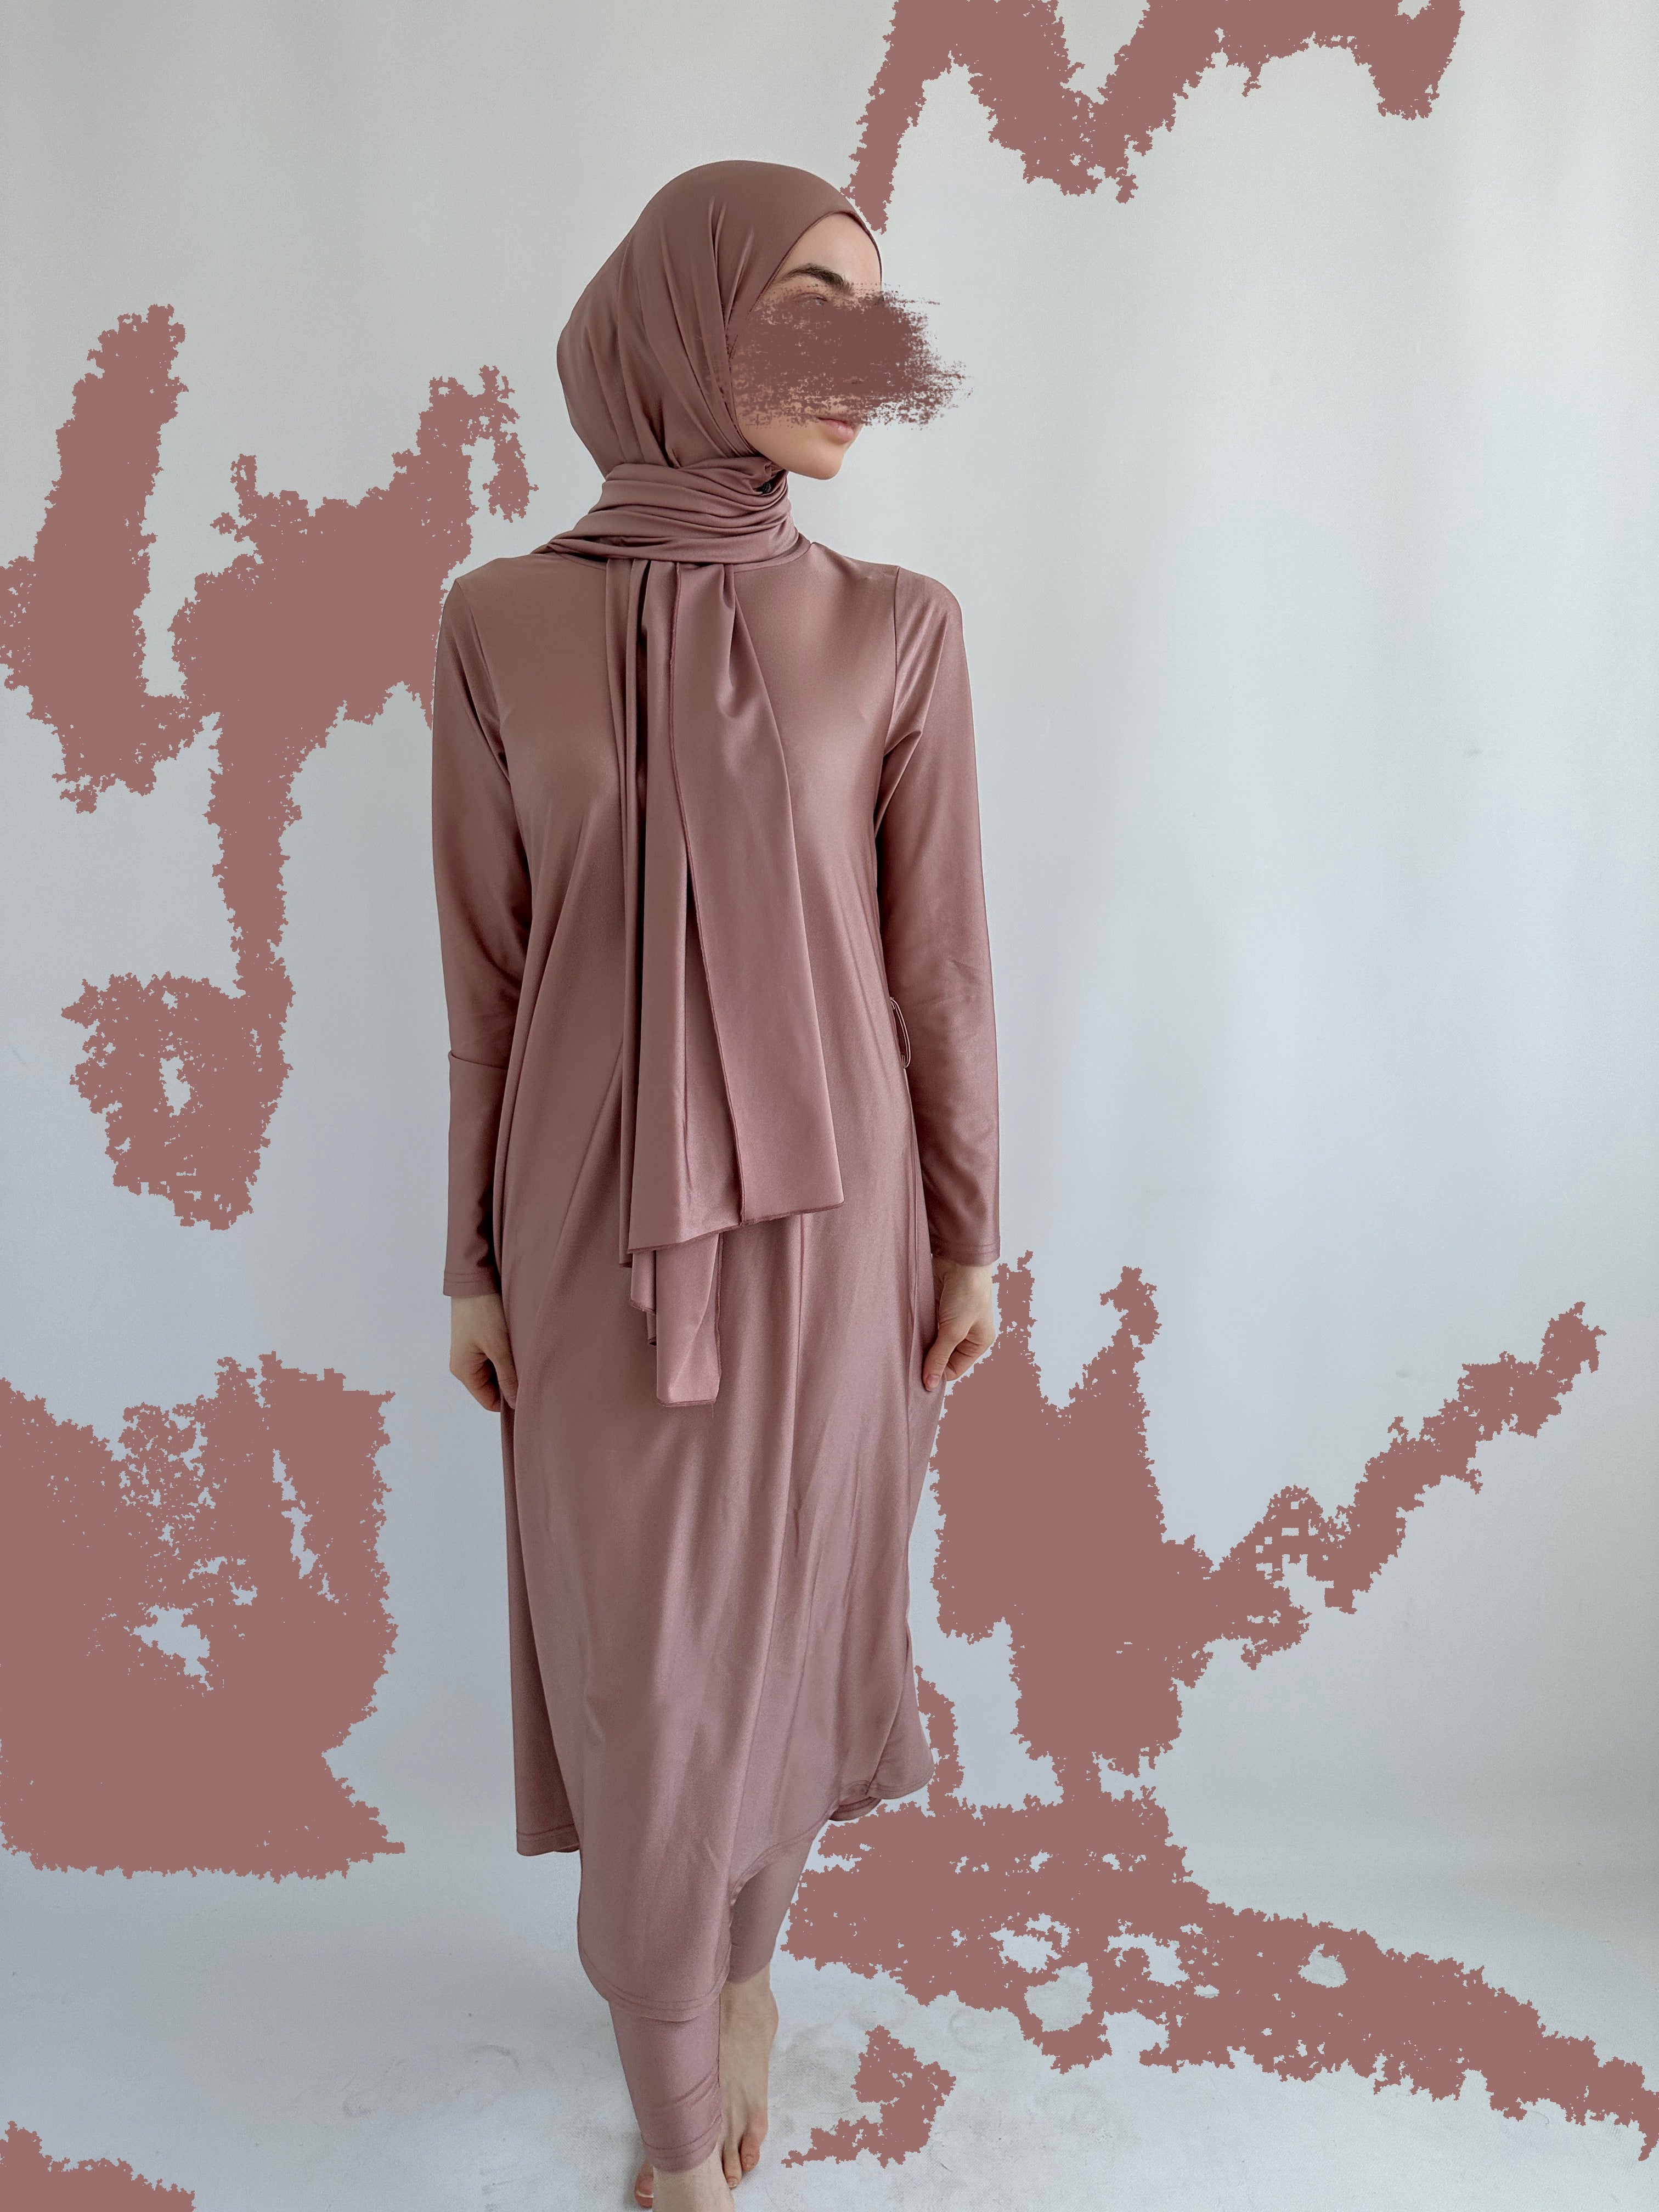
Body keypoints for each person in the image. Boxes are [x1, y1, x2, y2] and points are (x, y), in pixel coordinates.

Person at [431, 159, 1000, 2211]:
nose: (866, 357)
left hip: (840, 1225)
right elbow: (488, 966)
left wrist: (969, 1231)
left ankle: (739, 1978)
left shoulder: (898, 627)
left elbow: (935, 968)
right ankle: (681, 2116)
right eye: (806, 305)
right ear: (681, 320)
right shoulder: (496, 622)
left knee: (785, 1623)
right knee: (649, 1671)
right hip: (589, 1221)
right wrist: (471, 1255)